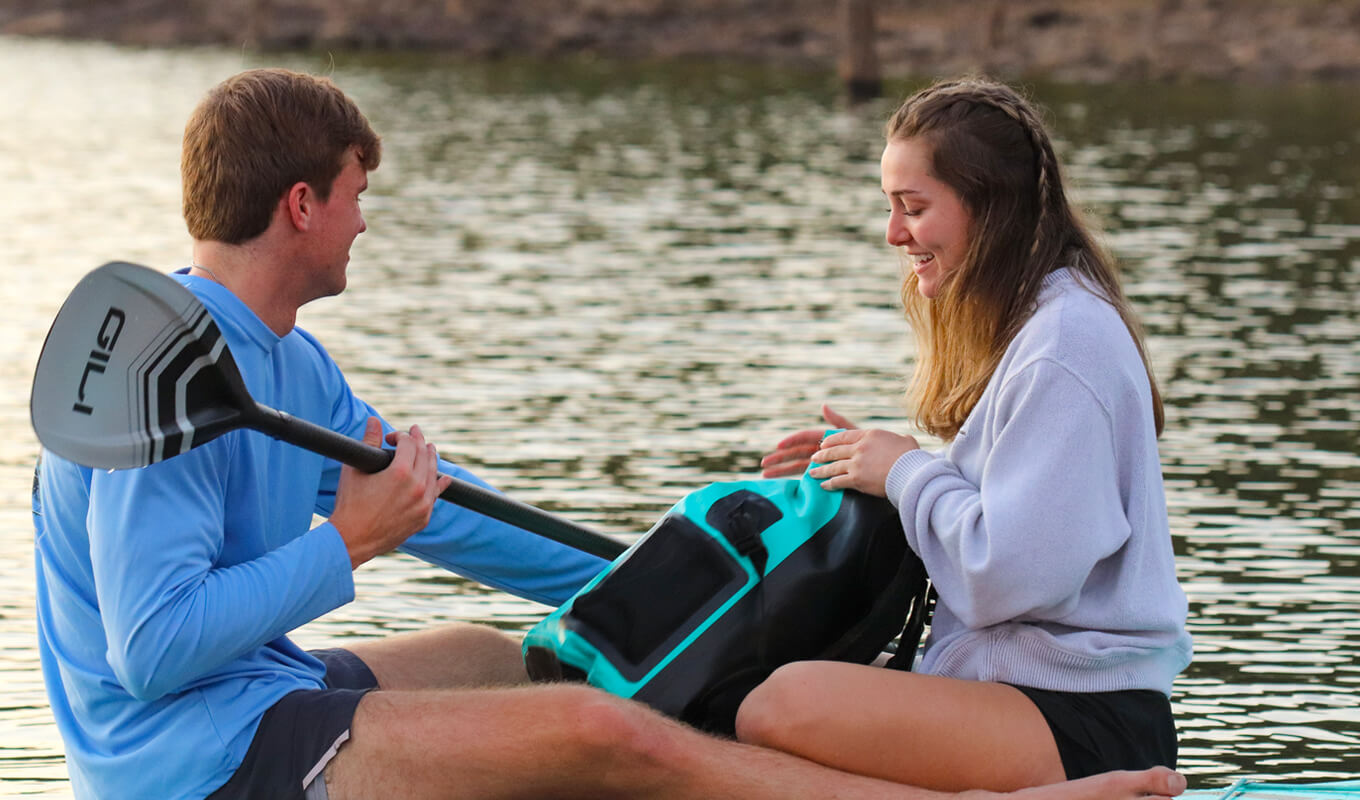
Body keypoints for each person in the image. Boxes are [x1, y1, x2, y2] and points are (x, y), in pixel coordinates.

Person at [32, 68, 1188, 800]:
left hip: (259, 690)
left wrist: (703, 570)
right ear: (302, 204)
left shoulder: (287, 363)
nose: (364, 218)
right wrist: (344, 546)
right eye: (355, 191)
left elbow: (458, 514)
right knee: (593, 726)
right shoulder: (164, 380)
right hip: (191, 759)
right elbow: (153, 650)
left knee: (519, 658)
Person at [742, 77, 1194, 793]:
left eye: (913, 208)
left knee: (777, 703)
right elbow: (1015, 513)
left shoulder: (1063, 344)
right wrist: (864, 470)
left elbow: (1006, 577)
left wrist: (906, 473)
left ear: (989, 205)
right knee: (752, 683)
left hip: (1082, 719)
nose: (894, 235)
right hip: (1022, 701)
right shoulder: (1042, 324)